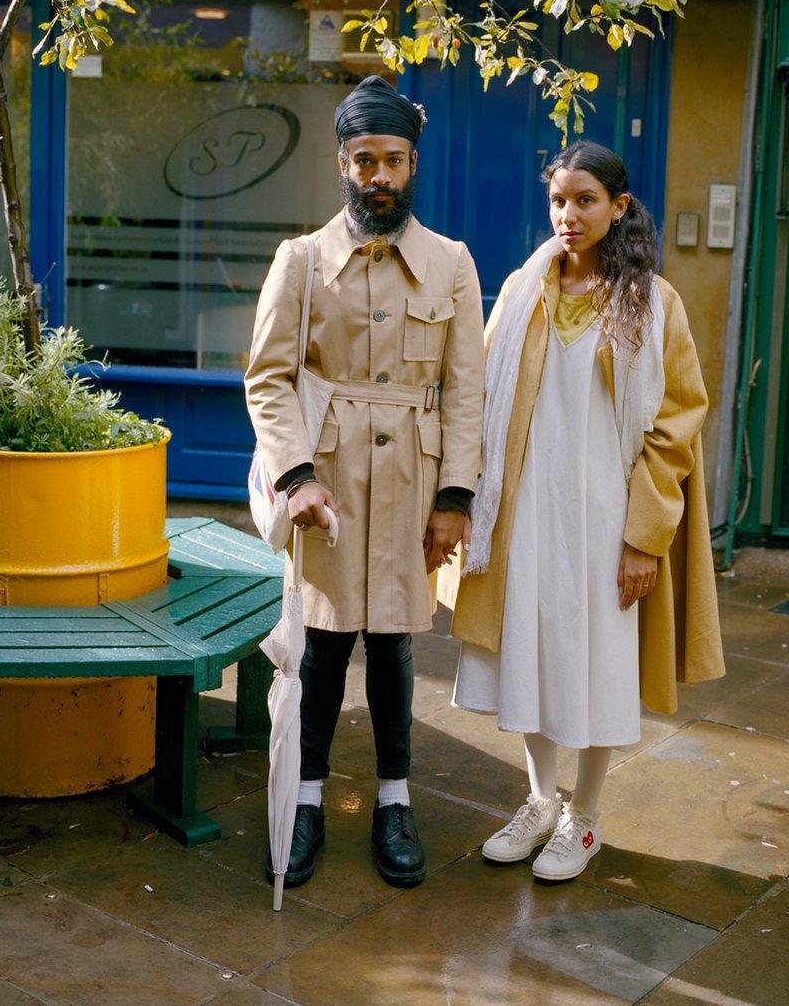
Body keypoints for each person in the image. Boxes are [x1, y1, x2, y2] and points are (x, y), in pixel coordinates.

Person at [440, 140, 724, 883]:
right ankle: (538, 800)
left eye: (585, 201)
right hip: (527, 509)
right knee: (528, 655)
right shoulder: (522, 290)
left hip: (607, 517)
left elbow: (675, 427)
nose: (569, 215)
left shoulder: (654, 304)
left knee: (598, 664)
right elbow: (476, 397)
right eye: (559, 200)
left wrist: (644, 540)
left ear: (619, 208)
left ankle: (585, 817)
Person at [245, 75, 484, 889]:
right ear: (342, 163)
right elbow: (268, 379)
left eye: (393, 160)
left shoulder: (451, 263)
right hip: (332, 487)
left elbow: (466, 391)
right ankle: (306, 799)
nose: (379, 175)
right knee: (322, 643)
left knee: (394, 644)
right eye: (364, 160)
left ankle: (393, 800)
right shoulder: (303, 261)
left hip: (416, 484)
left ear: (413, 164)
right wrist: (297, 477)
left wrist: (455, 498)